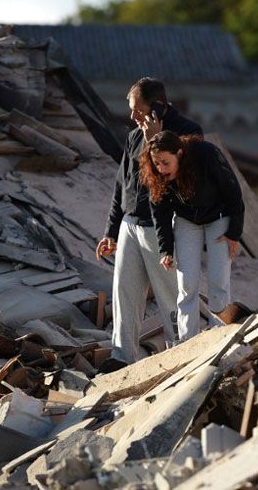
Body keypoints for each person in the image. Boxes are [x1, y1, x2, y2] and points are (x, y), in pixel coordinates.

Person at [96, 78, 202, 368]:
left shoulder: (188, 134)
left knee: (171, 298)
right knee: (124, 294)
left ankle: (179, 356)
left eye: (137, 109)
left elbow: (182, 184)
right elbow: (122, 185)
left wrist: (157, 140)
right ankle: (122, 357)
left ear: (157, 107)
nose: (132, 116)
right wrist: (111, 231)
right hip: (130, 225)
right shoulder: (133, 137)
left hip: (163, 229)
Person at [139, 131, 244, 342]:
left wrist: (234, 233)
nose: (160, 169)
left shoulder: (206, 154)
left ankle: (220, 336)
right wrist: (166, 250)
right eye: (156, 163)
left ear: (180, 153)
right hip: (187, 222)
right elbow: (160, 214)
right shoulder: (158, 176)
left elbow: (233, 191)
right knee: (186, 284)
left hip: (218, 218)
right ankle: (187, 341)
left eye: (165, 163)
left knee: (218, 281)